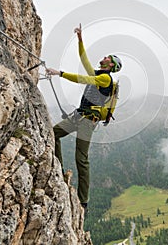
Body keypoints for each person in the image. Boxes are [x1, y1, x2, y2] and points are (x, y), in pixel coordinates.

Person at [46, 24, 122, 212]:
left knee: (81, 158)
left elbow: (82, 79)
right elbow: (84, 60)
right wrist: (80, 39)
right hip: (78, 116)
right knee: (53, 134)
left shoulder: (106, 79)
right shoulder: (98, 74)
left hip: (88, 121)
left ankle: (83, 200)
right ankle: (58, 170)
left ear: (111, 64)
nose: (104, 58)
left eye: (107, 58)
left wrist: (59, 73)